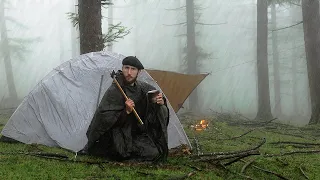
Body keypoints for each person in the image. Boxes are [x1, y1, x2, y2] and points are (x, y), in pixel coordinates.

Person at [83, 56, 170, 162]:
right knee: (125, 152)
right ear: (122, 68)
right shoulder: (115, 90)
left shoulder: (143, 87)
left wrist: (161, 101)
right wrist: (126, 112)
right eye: (126, 68)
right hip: (116, 136)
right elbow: (103, 121)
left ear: (139, 72)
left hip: (134, 134)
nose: (129, 72)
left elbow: (155, 98)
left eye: (133, 69)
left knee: (155, 150)